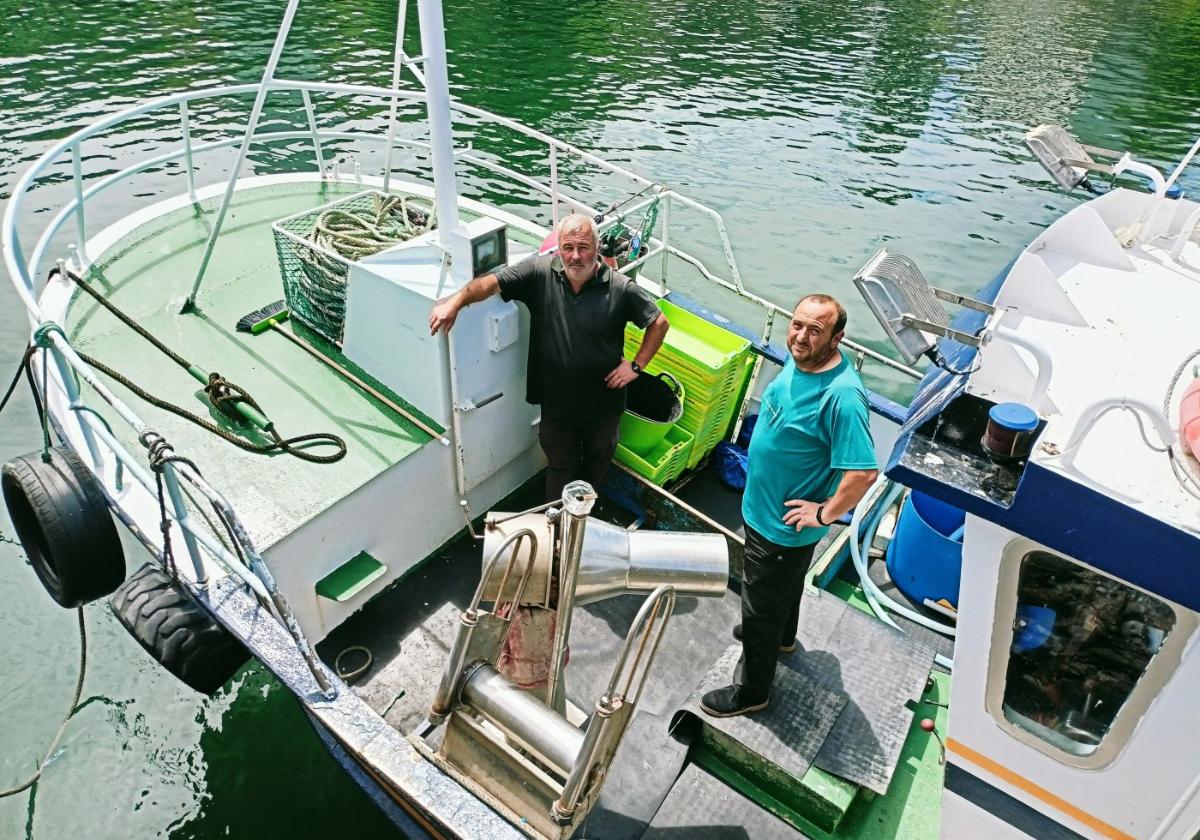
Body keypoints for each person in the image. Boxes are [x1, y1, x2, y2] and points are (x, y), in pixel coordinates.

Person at [701, 294, 878, 718]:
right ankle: (783, 636)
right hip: (767, 515)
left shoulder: (842, 396)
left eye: (815, 330)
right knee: (788, 584)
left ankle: (751, 691)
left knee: (758, 608)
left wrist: (823, 513)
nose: (801, 336)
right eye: (797, 324)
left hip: (784, 526)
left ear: (837, 338)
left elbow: (863, 473)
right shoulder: (799, 362)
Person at [429, 214, 670, 500]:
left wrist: (635, 366)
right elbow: (489, 284)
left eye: (583, 247)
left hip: (604, 405)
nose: (576, 256)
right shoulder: (539, 273)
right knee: (559, 466)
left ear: (596, 248)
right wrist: (455, 302)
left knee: (597, 463)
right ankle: (556, 520)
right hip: (557, 406)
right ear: (558, 248)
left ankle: (586, 515)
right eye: (568, 248)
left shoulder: (619, 287)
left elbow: (659, 322)